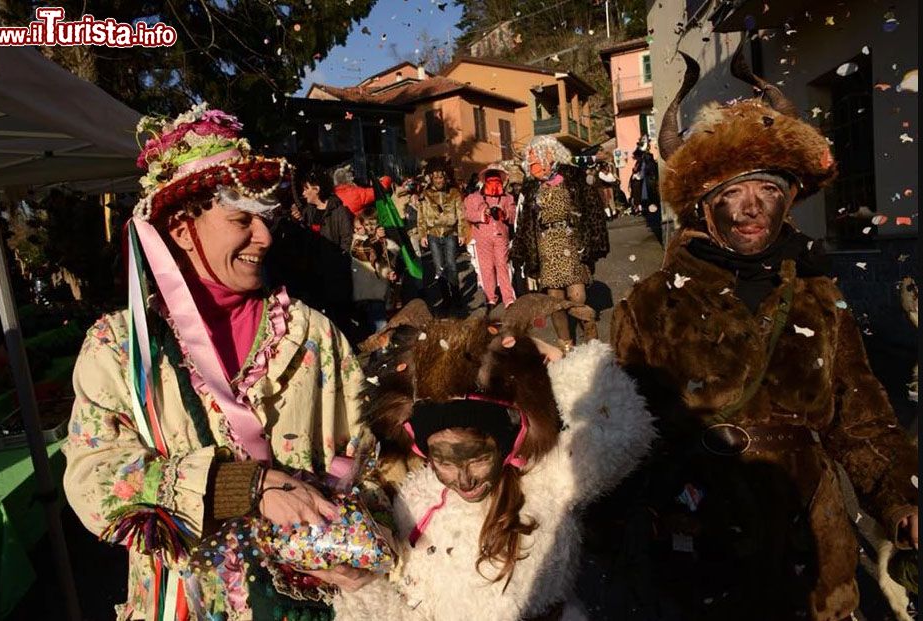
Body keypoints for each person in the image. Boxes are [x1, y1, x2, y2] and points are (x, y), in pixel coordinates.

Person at [606, 49, 919, 620]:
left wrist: (902, 499)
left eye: (769, 189)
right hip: (698, 551)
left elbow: (862, 416)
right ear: (702, 205)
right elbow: (622, 437)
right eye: (730, 191)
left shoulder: (820, 296)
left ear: (790, 198)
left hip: (812, 549)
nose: (751, 208)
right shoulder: (651, 304)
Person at [63, 104, 372, 620]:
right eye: (241, 220)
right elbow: (92, 481)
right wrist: (241, 486)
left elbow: (370, 455)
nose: (266, 236)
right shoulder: (122, 349)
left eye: (266, 219)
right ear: (183, 230)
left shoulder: (313, 335)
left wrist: (356, 537)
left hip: (308, 606)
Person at [332, 295, 655, 620]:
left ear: (506, 443)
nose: (464, 478)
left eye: (476, 457)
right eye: (444, 461)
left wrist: (545, 369)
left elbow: (626, 429)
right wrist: (362, 586)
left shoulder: (546, 480)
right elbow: (411, 607)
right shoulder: (414, 501)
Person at [511, 135, 610, 351]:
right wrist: (519, 251)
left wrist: (595, 240)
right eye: (533, 159)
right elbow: (525, 223)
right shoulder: (530, 188)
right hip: (546, 245)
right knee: (554, 301)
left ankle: (591, 337)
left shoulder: (574, 176)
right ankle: (567, 346)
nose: (536, 163)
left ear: (552, 154)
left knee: (577, 294)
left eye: (540, 156)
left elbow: (593, 209)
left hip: (572, 241)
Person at [288, 168, 355, 334]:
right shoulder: (308, 211)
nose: (304, 193)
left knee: (339, 313)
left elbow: (347, 239)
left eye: (306, 188)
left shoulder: (338, 210)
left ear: (316, 189)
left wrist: (340, 261)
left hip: (335, 272)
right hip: (315, 271)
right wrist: (298, 222)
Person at [416, 158, 467, 313]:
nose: (438, 180)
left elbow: (461, 214)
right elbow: (421, 216)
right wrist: (423, 234)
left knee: (451, 266)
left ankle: (456, 297)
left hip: (450, 233)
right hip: (433, 235)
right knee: (439, 268)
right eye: (436, 177)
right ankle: (445, 299)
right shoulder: (425, 195)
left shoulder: (454, 193)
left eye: (441, 177)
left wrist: (462, 232)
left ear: (445, 178)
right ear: (432, 178)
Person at [464, 163, 517, 312]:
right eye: (490, 177)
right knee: (486, 268)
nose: (494, 181)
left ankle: (508, 298)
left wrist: (504, 213)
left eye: (497, 177)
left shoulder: (508, 198)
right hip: (482, 238)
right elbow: (467, 215)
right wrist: (482, 214)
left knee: (502, 265)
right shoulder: (474, 197)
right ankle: (491, 298)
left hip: (501, 237)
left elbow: (513, 217)